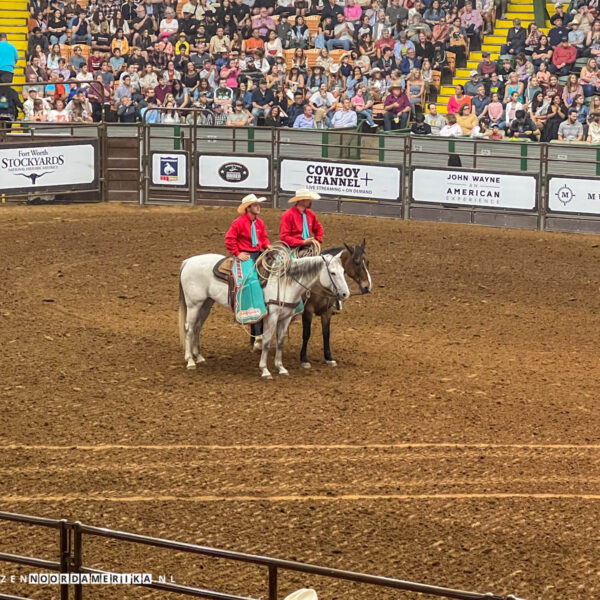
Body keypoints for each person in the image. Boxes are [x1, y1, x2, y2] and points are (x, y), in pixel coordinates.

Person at [224, 194, 271, 338]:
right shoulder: (238, 223)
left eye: (258, 204)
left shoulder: (259, 223)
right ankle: (253, 319)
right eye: (255, 205)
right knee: (250, 281)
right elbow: (229, 239)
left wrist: (267, 245)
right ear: (248, 208)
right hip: (246, 256)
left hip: (258, 253)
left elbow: (263, 238)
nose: (258, 207)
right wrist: (237, 253)